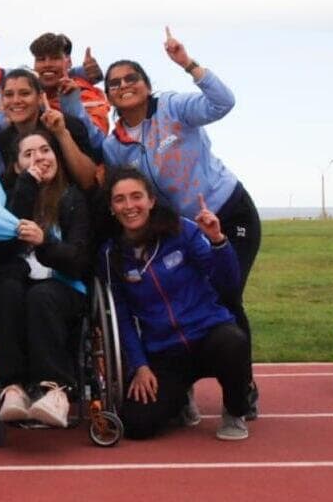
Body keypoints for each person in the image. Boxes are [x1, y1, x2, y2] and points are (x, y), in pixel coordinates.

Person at [102, 27, 261, 417]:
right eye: (115, 83)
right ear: (107, 95)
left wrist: (188, 63)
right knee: (180, 296)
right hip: (183, 231)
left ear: (147, 84)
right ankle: (182, 381)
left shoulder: (173, 107)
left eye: (131, 79)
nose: (124, 86)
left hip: (229, 213)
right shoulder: (113, 144)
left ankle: (242, 387)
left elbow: (223, 104)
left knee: (226, 295)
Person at [100, 168, 252, 441]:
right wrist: (141, 366)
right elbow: (121, 317)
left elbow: (228, 283)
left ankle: (235, 410)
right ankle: (179, 398)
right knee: (136, 425)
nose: (129, 206)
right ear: (111, 207)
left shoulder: (182, 231)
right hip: (166, 351)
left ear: (151, 201)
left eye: (136, 197)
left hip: (208, 335)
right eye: (120, 199)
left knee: (233, 342)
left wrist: (218, 240)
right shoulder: (112, 253)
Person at [0, 129, 91, 428]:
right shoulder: (7, 198)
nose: (39, 158)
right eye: (29, 154)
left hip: (63, 286)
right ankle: (13, 388)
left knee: (41, 295)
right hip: (16, 285)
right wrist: (27, 186)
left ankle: (55, 390)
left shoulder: (73, 198)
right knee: (7, 291)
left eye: (45, 150)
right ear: (17, 165)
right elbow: (0, 249)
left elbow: (79, 258)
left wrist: (45, 243)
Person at [0, 69, 100, 191]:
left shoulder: (68, 125)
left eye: (25, 93)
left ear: (40, 98)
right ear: (1, 100)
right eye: (8, 95)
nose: (16, 101)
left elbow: (89, 181)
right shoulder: (2, 140)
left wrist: (61, 134)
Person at [29, 32, 110, 136]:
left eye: (55, 58)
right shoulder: (28, 92)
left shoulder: (87, 94)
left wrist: (72, 103)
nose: (47, 64)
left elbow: (97, 143)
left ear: (69, 62)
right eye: (41, 59)